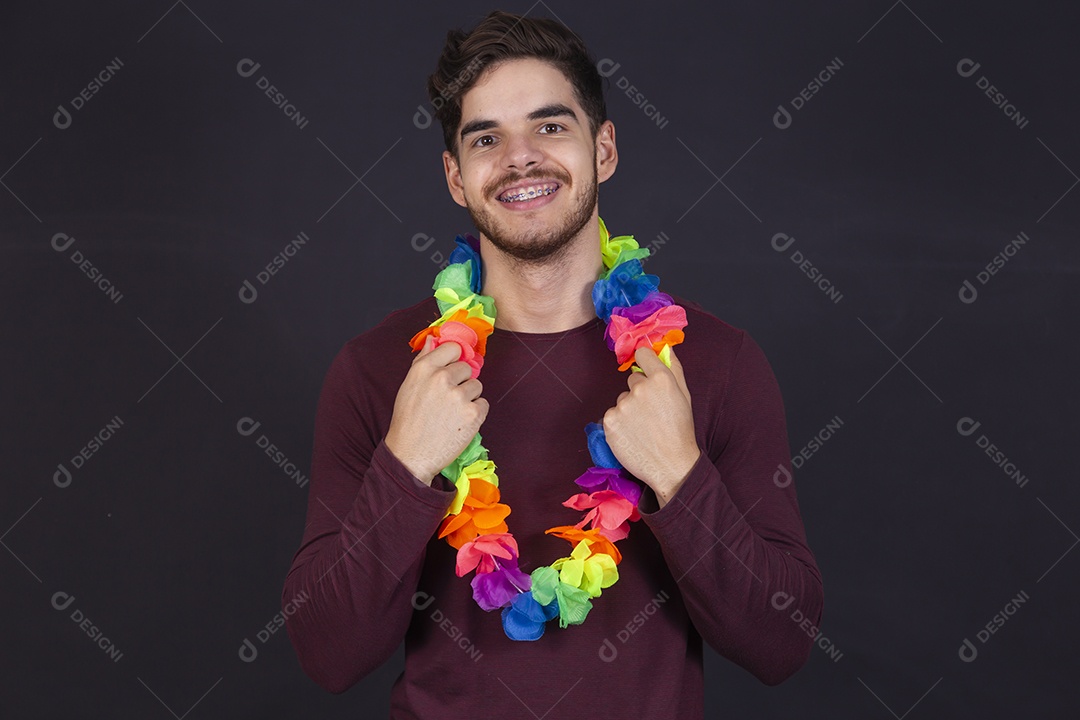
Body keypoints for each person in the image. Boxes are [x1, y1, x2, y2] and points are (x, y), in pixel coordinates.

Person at [282, 10, 823, 718]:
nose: (520, 158)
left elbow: (782, 644)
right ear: (455, 175)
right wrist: (405, 468)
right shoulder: (381, 371)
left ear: (604, 150)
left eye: (550, 126)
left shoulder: (712, 363)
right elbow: (327, 655)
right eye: (486, 138)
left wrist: (681, 478)